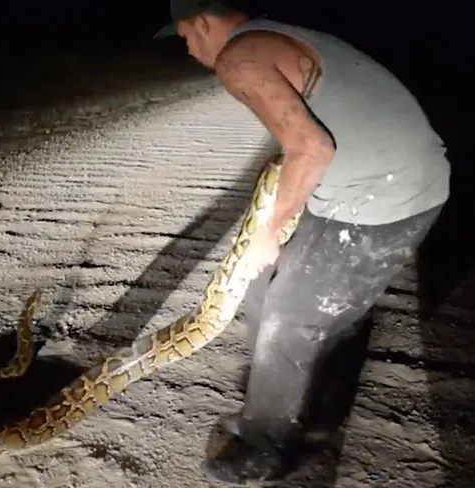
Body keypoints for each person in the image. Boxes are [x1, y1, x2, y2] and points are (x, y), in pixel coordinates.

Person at [154, 0, 450, 483]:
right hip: (355, 188)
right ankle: (295, 403)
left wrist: (269, 233)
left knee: (290, 316)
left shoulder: (238, 59)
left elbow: (311, 147)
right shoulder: (269, 34)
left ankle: (266, 445)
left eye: (185, 35)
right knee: (261, 285)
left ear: (203, 22)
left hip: (384, 194)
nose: (187, 49)